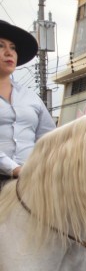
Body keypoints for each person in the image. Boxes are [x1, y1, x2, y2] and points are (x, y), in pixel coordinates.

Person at [0, 20, 55, 184]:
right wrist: (15, 169)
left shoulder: (30, 97)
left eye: (13, 48)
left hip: (31, 182)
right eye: (1, 46)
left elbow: (48, 139)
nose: (9, 52)